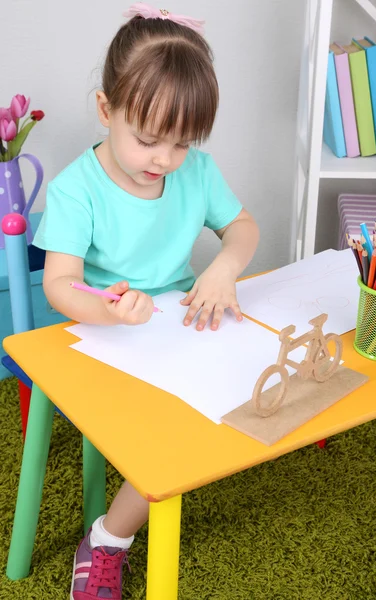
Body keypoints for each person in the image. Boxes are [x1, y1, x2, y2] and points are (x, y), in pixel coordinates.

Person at [34, 3, 259, 598]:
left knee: (244, 388)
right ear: (107, 110)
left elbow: (241, 228)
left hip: (175, 325)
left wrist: (223, 270)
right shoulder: (75, 190)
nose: (164, 160)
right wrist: (106, 310)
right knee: (174, 433)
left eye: (182, 144)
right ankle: (108, 539)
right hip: (100, 334)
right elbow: (59, 286)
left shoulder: (196, 172)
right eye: (149, 139)